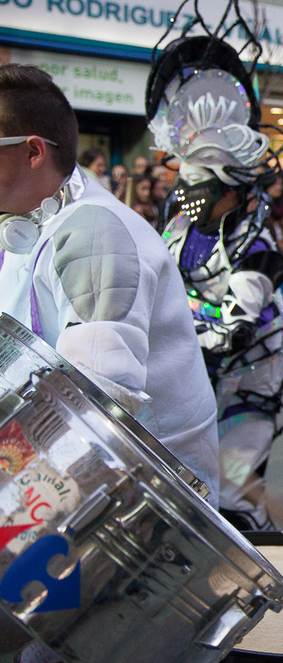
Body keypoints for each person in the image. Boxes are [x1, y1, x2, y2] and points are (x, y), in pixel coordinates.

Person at [0, 63, 220, 504]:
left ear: (33, 151)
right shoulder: (25, 223)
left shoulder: (95, 235)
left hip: (150, 508)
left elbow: (96, 399)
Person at [148, 0, 283, 531]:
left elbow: (233, 329)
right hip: (192, 379)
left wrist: (174, 320)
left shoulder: (258, 246)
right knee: (189, 490)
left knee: (234, 496)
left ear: (231, 186)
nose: (188, 198)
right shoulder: (179, 228)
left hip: (250, 379)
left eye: (200, 187)